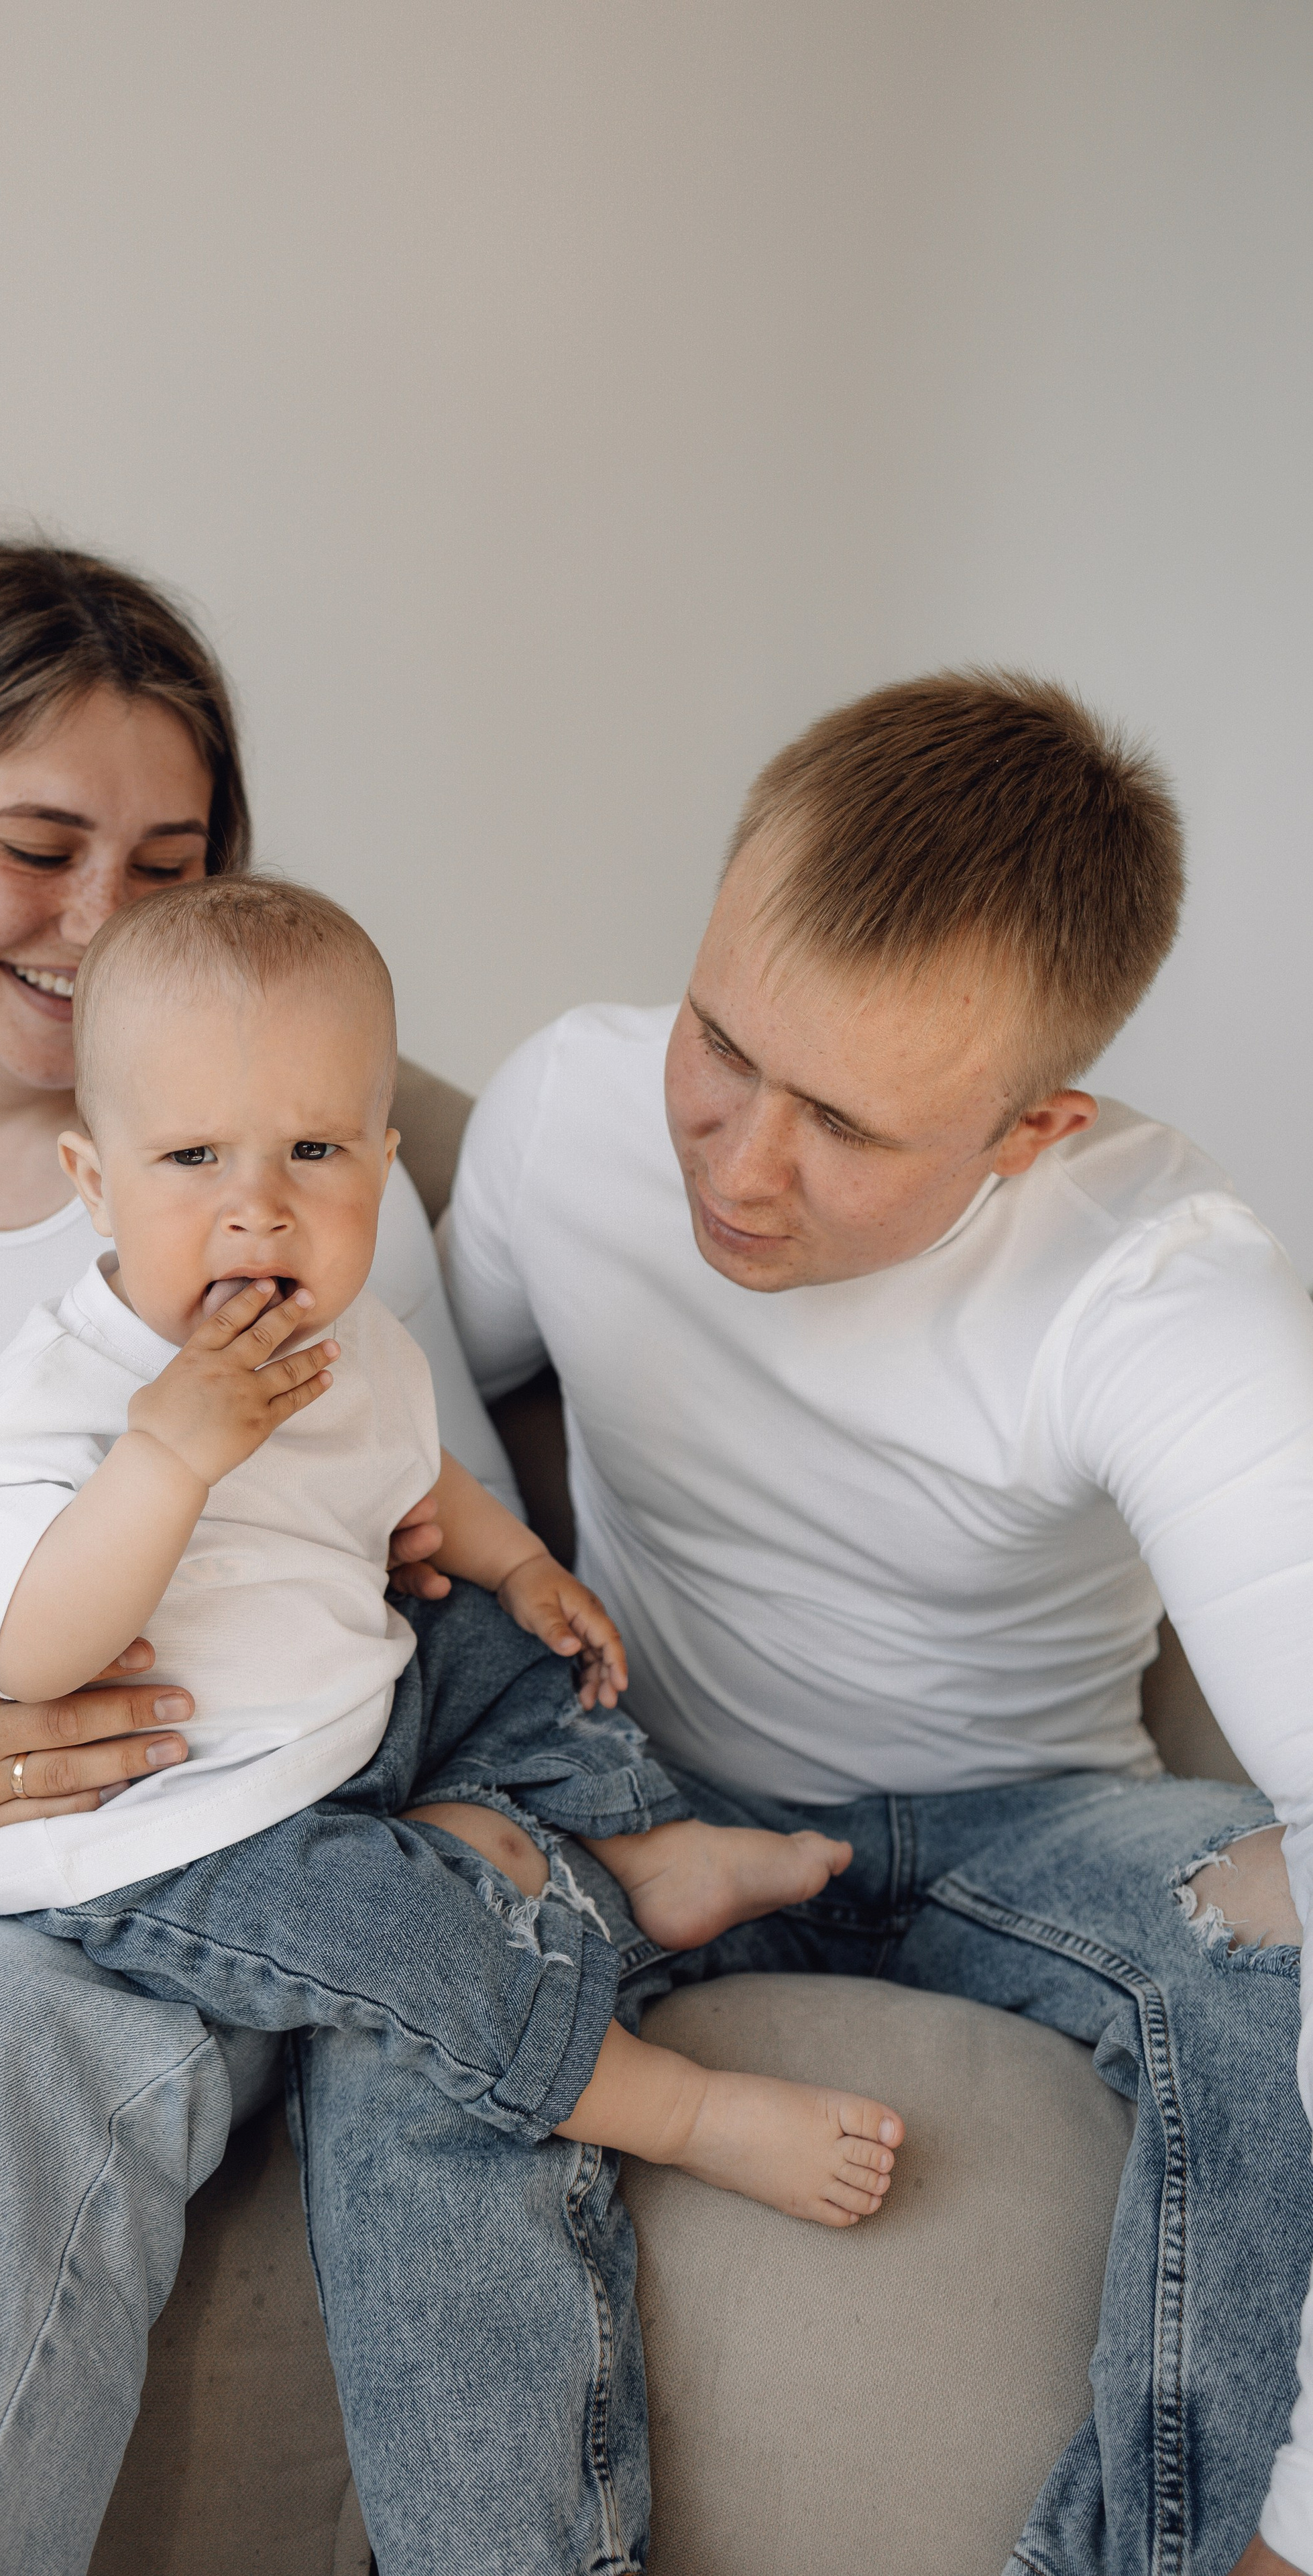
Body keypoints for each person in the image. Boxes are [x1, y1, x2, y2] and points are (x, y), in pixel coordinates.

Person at [0, 541, 629, 2576]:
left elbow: (411, 1506)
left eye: (167, 863)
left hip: (165, 1829)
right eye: (37, 847)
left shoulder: (295, 1164)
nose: (102, 923)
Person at [442, 669, 1313, 2576]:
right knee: (400, 1940)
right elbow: (413, 1440)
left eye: (844, 1123)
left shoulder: (1162, 1290)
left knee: (1273, 1934)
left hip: (1028, 1825)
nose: (738, 1163)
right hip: (635, 1802)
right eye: (722, 1044)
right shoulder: (563, 1112)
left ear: (1031, 1128)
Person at [0, 874, 898, 2224]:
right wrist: (167, 1459)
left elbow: (411, 1467)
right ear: (94, 1182)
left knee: (498, 1636)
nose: (258, 1210)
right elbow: (32, 1656)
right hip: (180, 1832)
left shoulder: (345, 1335)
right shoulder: (40, 1413)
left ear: (380, 1167)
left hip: (347, 1721)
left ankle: (637, 1845)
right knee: (410, 1934)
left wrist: (520, 1565)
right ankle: (677, 2107)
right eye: (191, 1160)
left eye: (311, 1153)